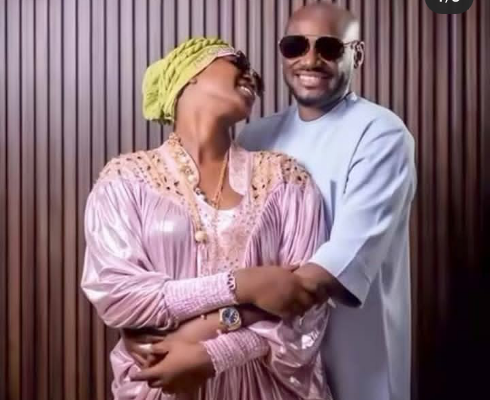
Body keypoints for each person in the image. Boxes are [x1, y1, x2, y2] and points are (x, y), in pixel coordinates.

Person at [81, 37, 334, 399]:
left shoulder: (285, 178)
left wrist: (214, 353)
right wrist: (243, 285)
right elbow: (118, 296)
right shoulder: (125, 180)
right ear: (189, 74)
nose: (251, 73)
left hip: (268, 389)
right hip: (162, 385)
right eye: (236, 61)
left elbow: (307, 304)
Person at [238, 3, 416, 400]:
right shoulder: (254, 139)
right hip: (264, 361)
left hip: (355, 357)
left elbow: (334, 268)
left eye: (329, 47)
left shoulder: (380, 134)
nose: (310, 60)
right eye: (295, 46)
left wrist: (225, 322)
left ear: (357, 55)